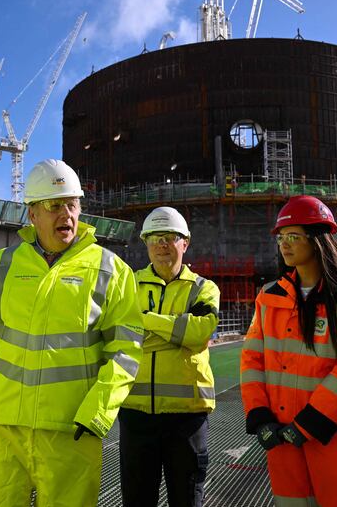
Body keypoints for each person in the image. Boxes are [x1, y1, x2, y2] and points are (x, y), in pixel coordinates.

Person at [0, 159, 143, 507]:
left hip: (71, 429)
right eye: (54, 206)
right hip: (3, 428)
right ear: (32, 213)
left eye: (72, 204)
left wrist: (99, 412)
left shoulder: (111, 270)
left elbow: (126, 350)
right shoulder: (3, 265)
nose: (65, 214)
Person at [240, 196, 337, 507]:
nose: (284, 245)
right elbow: (252, 359)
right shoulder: (268, 297)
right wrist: (260, 417)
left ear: (318, 241)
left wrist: (308, 425)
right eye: (282, 238)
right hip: (281, 434)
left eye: (294, 237)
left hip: (332, 436)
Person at [118, 207, 220, 507]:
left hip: (187, 417)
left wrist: (147, 321)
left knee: (187, 500)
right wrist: (176, 331)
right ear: (145, 243)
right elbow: (119, 334)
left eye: (170, 237)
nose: (162, 245)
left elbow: (199, 332)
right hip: (136, 415)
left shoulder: (203, 288)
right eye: (155, 238)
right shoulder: (127, 285)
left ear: (185, 243)